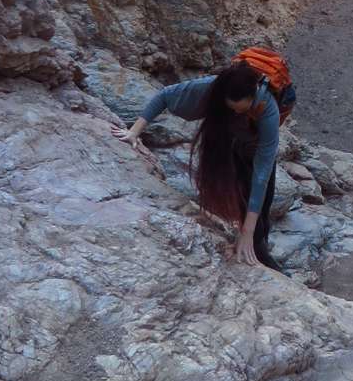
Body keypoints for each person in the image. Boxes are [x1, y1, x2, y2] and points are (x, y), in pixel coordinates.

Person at [113, 60, 290, 270]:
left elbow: (261, 175)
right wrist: (134, 131)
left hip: (255, 147)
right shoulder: (211, 87)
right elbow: (165, 96)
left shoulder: (267, 110)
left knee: (262, 201)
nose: (236, 114)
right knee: (242, 195)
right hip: (229, 144)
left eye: (242, 110)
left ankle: (257, 247)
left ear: (254, 96)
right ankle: (256, 250)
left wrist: (248, 231)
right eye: (232, 109)